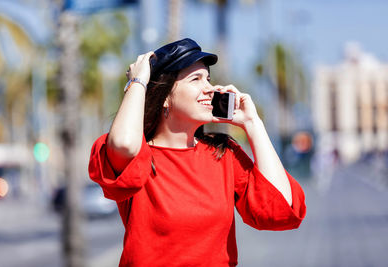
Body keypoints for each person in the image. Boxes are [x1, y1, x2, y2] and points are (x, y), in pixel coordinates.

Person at [88, 38, 306, 266]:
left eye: (208, 79)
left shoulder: (222, 153)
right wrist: (138, 81)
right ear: (165, 98)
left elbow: (281, 210)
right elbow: (123, 143)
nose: (209, 88)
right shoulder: (138, 158)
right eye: (196, 79)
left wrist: (253, 123)